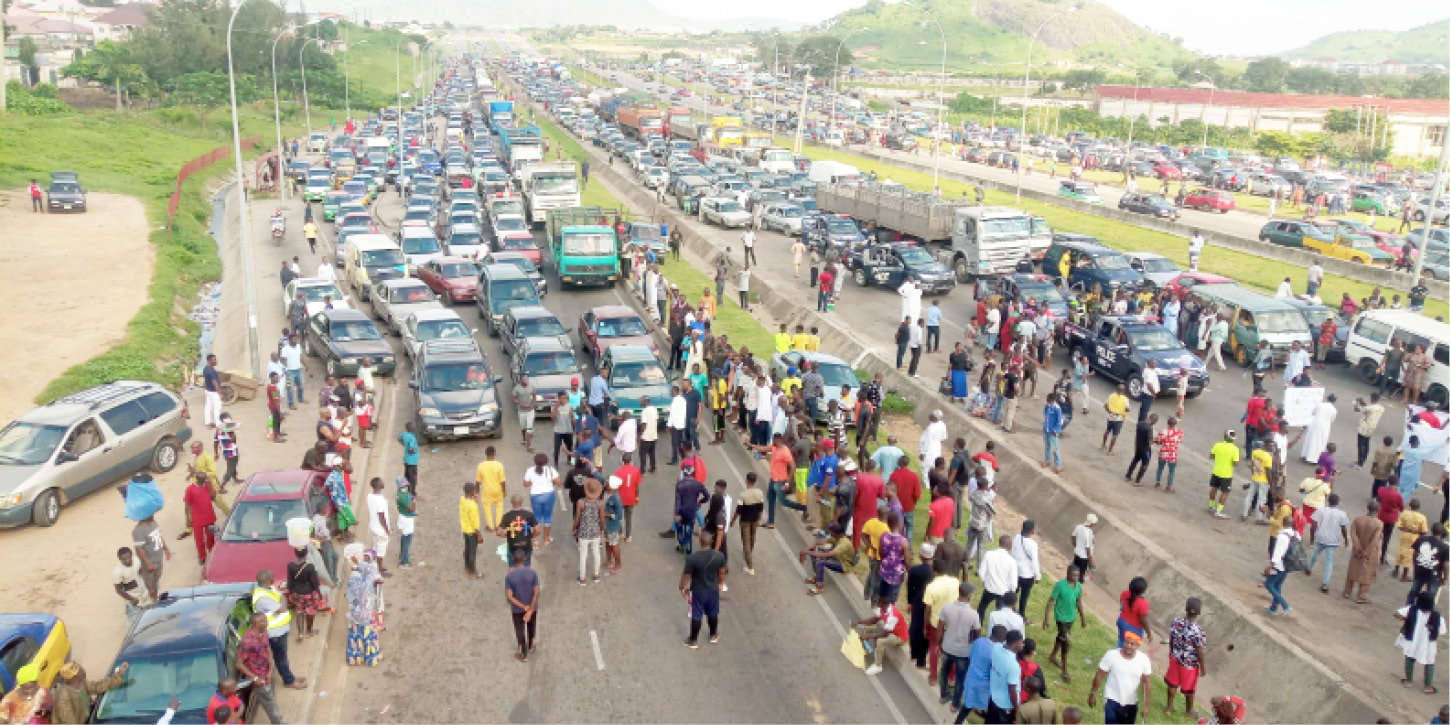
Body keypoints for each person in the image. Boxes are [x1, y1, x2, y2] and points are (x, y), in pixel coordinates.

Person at [252, 569, 307, 688]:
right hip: (274, 633)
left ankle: (289, 676)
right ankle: (289, 681)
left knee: (283, 656)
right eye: (272, 576)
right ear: (267, 580)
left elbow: (283, 600)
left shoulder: (269, 589)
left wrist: (283, 603)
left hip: (280, 630)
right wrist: (283, 604)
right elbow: (281, 608)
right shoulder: (262, 598)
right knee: (280, 658)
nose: (274, 577)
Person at [1088, 631, 1153, 725]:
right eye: (1127, 642)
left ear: (1137, 646)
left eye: (1132, 644)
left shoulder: (1143, 660)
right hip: (1111, 699)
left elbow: (1147, 683)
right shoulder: (1111, 655)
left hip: (1131, 702)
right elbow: (1100, 675)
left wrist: (1146, 706)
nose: (1129, 646)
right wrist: (1093, 693)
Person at [938, 580, 982, 707]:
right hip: (963, 652)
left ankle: (943, 695)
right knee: (960, 678)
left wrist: (939, 644)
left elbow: (940, 628)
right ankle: (955, 703)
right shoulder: (974, 614)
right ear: (968, 595)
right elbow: (977, 633)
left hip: (947, 647)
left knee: (944, 672)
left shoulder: (946, 608)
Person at [681, 528, 727, 648]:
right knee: (713, 612)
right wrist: (721, 583)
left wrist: (682, 587)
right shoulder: (719, 556)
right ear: (711, 542)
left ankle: (693, 640)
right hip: (713, 590)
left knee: (696, 615)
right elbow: (722, 571)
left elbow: (686, 576)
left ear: (700, 542)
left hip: (698, 591)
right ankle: (713, 635)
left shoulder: (692, 558)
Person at [1163, 598, 1207, 715]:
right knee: (1189, 688)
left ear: (1186, 609)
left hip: (1175, 658)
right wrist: (1203, 667)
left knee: (1172, 683)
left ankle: (1169, 707)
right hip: (1189, 664)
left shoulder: (1176, 621)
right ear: (1199, 612)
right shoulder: (1198, 631)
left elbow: (1171, 638)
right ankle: (1189, 710)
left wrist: (1171, 652)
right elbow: (1200, 651)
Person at [851, 593, 911, 677]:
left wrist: (868, 636)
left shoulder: (892, 616)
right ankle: (865, 650)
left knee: (880, 641)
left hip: (899, 637)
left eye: (878, 601)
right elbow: (873, 620)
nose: (876, 602)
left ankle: (878, 665)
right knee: (867, 628)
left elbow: (884, 634)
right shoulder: (883, 608)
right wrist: (858, 623)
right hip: (890, 631)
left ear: (883, 603)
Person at [343, 543, 381, 667]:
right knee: (370, 635)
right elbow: (373, 570)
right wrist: (358, 563)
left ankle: (355, 658)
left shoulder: (354, 579)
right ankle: (372, 657)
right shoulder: (368, 574)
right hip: (368, 610)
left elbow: (349, 597)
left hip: (357, 613)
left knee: (355, 634)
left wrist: (354, 567)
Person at [1397, 591, 1442, 694]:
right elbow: (1441, 630)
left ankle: (1408, 681)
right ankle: (1428, 686)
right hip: (1428, 644)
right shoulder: (1436, 616)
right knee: (1429, 663)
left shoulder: (1411, 610)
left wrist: (1406, 619)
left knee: (1409, 659)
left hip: (1412, 641)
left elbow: (1397, 613)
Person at [1307, 493, 1349, 593]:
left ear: (1328, 501)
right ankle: (1325, 583)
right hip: (1333, 540)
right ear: (1337, 503)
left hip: (1320, 537)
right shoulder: (1342, 514)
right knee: (1329, 562)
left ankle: (1309, 568)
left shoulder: (1321, 510)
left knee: (1314, 555)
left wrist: (1312, 540)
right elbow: (1344, 528)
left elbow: (1313, 526)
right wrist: (1346, 540)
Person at [1343, 501, 1383, 603]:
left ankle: (1347, 591)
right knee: (1367, 573)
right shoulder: (1378, 523)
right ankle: (1361, 596)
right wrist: (1367, 552)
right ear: (1378, 510)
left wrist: (1358, 547)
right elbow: (1375, 540)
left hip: (1357, 551)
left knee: (1353, 569)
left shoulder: (1358, 519)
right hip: (1370, 552)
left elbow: (1353, 534)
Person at [505, 549, 541, 662]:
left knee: (519, 630)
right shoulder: (533, 573)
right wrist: (530, 609)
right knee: (531, 626)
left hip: (517, 610)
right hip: (532, 607)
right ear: (524, 559)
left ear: (514, 560)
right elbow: (536, 593)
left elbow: (510, 597)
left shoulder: (509, 577)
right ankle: (531, 645)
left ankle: (523, 653)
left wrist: (523, 607)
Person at [802, 522, 854, 596]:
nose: (830, 533)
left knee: (821, 562)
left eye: (831, 531)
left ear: (835, 533)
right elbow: (823, 541)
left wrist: (808, 552)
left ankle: (820, 587)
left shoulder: (843, 544)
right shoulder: (837, 537)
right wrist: (814, 545)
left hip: (844, 565)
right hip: (838, 558)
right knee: (815, 553)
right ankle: (816, 577)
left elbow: (827, 554)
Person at [977, 535, 1017, 618]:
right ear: (1009, 545)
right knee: (999, 613)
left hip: (989, 588)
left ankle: (977, 626)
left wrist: (986, 582)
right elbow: (1013, 582)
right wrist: (1011, 591)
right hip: (1003, 591)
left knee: (982, 607)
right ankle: (997, 628)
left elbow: (981, 572)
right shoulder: (1011, 561)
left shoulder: (989, 554)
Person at [1394, 499, 1430, 581]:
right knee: (1409, 555)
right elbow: (1424, 531)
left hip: (1404, 535)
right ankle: (1404, 575)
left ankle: (1396, 570)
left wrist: (1406, 529)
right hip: (1414, 537)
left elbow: (1399, 526)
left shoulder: (1404, 514)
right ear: (1419, 507)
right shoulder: (1422, 518)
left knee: (1400, 551)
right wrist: (1417, 532)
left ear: (1411, 506)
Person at [1116, 576, 1152, 647]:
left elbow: (1122, 606)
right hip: (1133, 628)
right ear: (1142, 591)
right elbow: (1143, 620)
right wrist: (1149, 633)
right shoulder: (1143, 603)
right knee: (1130, 649)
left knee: (1121, 642)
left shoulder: (1124, 594)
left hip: (1122, 621)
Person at [460, 483, 484, 578]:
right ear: (471, 492)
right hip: (472, 531)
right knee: (472, 551)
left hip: (465, 529)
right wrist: (479, 534)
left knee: (467, 548)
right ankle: (473, 571)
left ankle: (467, 567)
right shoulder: (472, 505)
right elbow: (474, 521)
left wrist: (474, 501)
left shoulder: (462, 499)